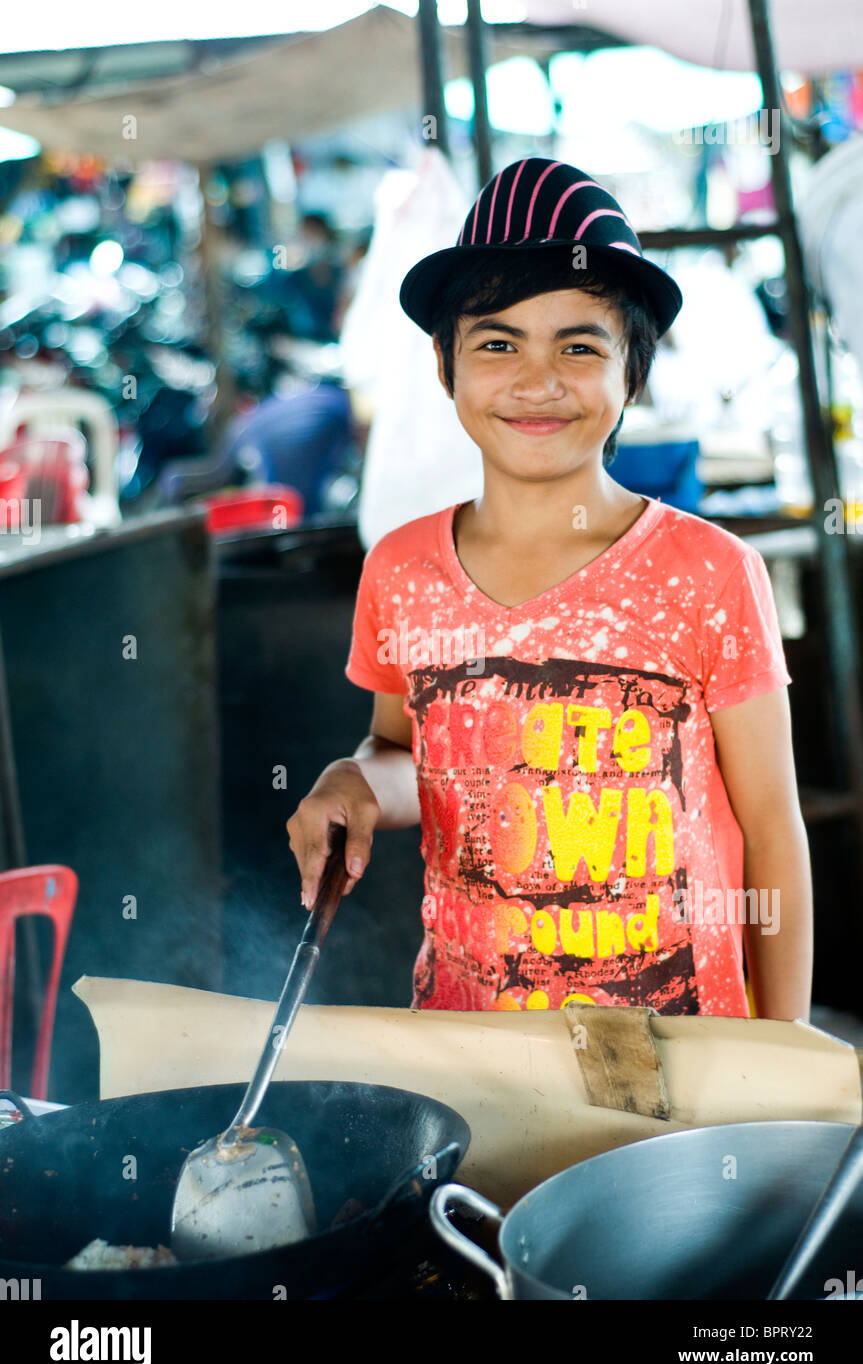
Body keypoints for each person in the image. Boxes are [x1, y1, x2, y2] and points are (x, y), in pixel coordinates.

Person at [286, 157, 813, 1021]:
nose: (536, 382)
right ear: (443, 363)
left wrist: (783, 1054)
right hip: (472, 1050)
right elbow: (403, 753)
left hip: (679, 1059)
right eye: (496, 343)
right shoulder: (401, 569)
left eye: (578, 346)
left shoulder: (708, 572)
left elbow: (771, 831)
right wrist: (350, 778)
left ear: (630, 372)